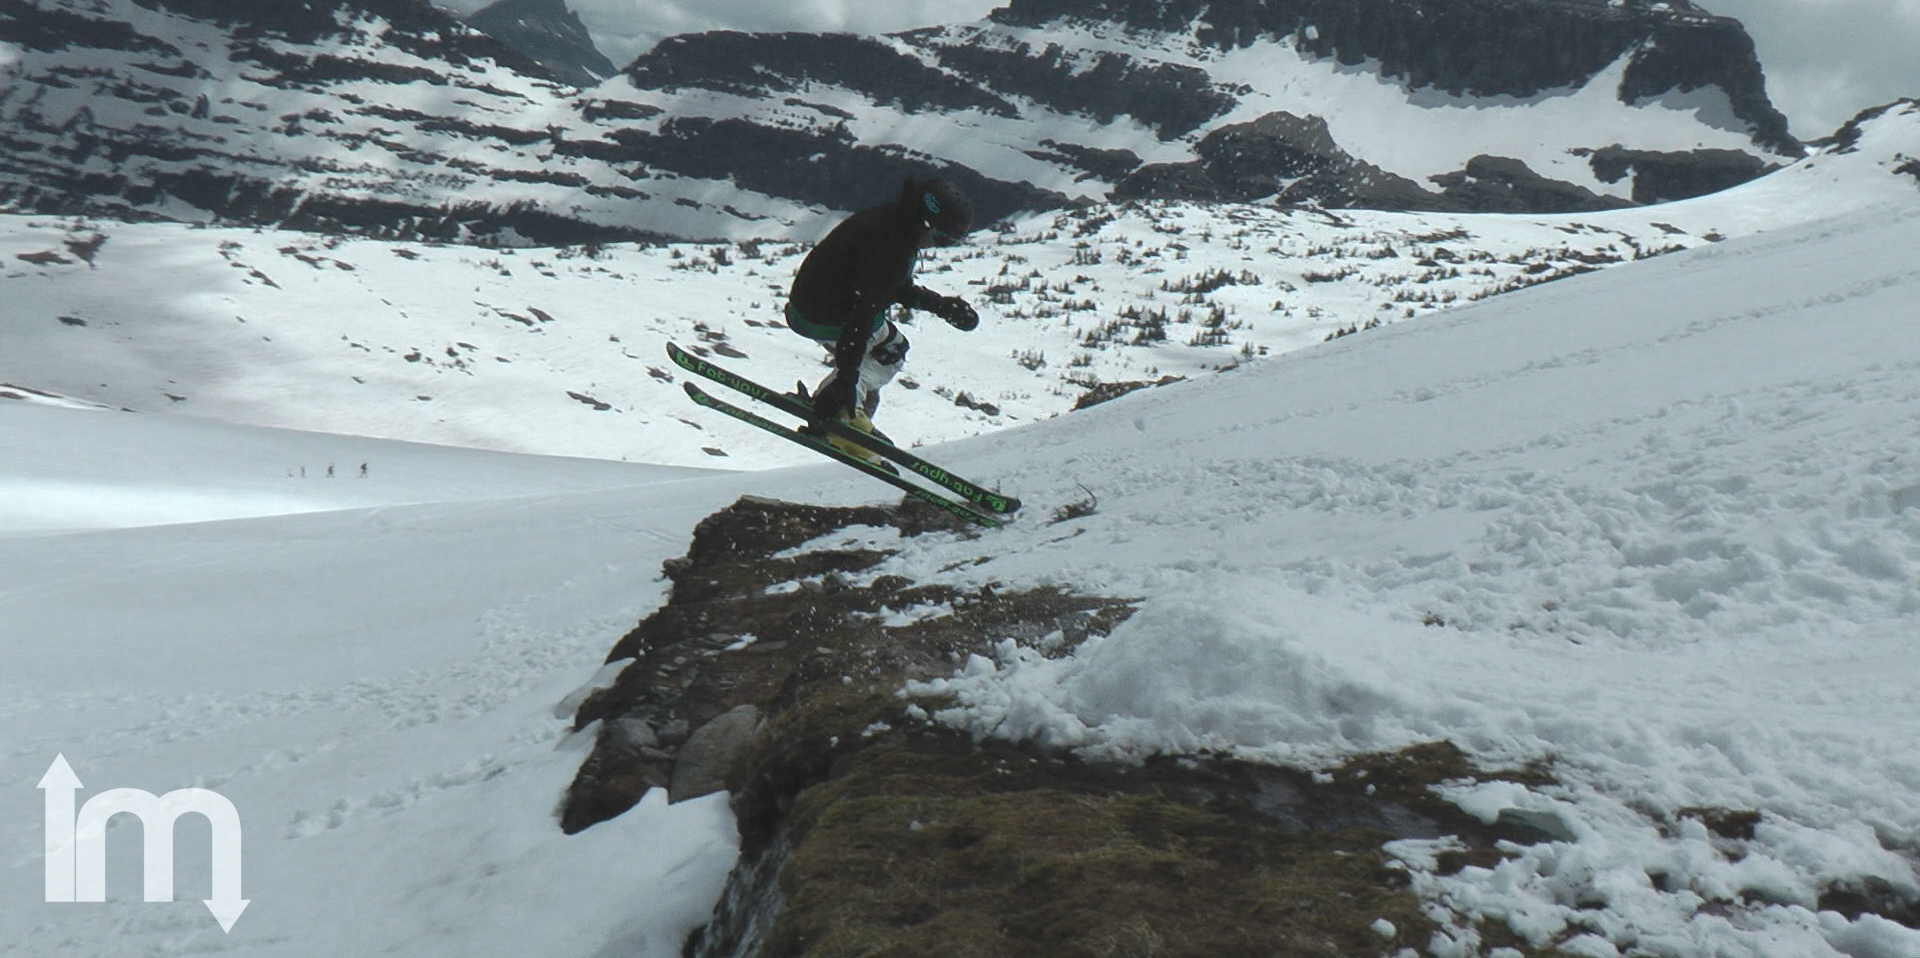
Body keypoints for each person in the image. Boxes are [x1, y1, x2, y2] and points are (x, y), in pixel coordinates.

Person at [785, 176, 980, 465]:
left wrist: (940, 305)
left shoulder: (892, 222)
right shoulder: (894, 245)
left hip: (808, 306)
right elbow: (863, 313)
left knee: (885, 350)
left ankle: (851, 413)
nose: (935, 246)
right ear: (928, 223)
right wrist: (845, 378)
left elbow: (887, 286)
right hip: (825, 313)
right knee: (889, 352)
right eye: (941, 238)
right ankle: (844, 418)